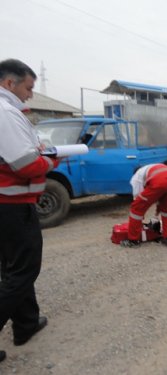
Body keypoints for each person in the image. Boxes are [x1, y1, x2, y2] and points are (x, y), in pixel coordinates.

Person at [0, 59, 60, 359]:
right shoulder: (5, 112)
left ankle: (25, 324)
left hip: (8, 206)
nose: (31, 94)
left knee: (13, 269)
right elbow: (25, 164)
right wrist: (52, 161)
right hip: (11, 207)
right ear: (10, 84)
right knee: (24, 270)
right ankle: (22, 323)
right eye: (28, 87)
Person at [120, 163, 167, 248]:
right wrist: (159, 207)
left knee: (136, 207)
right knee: (166, 210)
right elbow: (161, 194)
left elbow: (137, 198)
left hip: (160, 180)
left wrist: (140, 216)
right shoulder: (149, 168)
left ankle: (133, 241)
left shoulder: (137, 176)